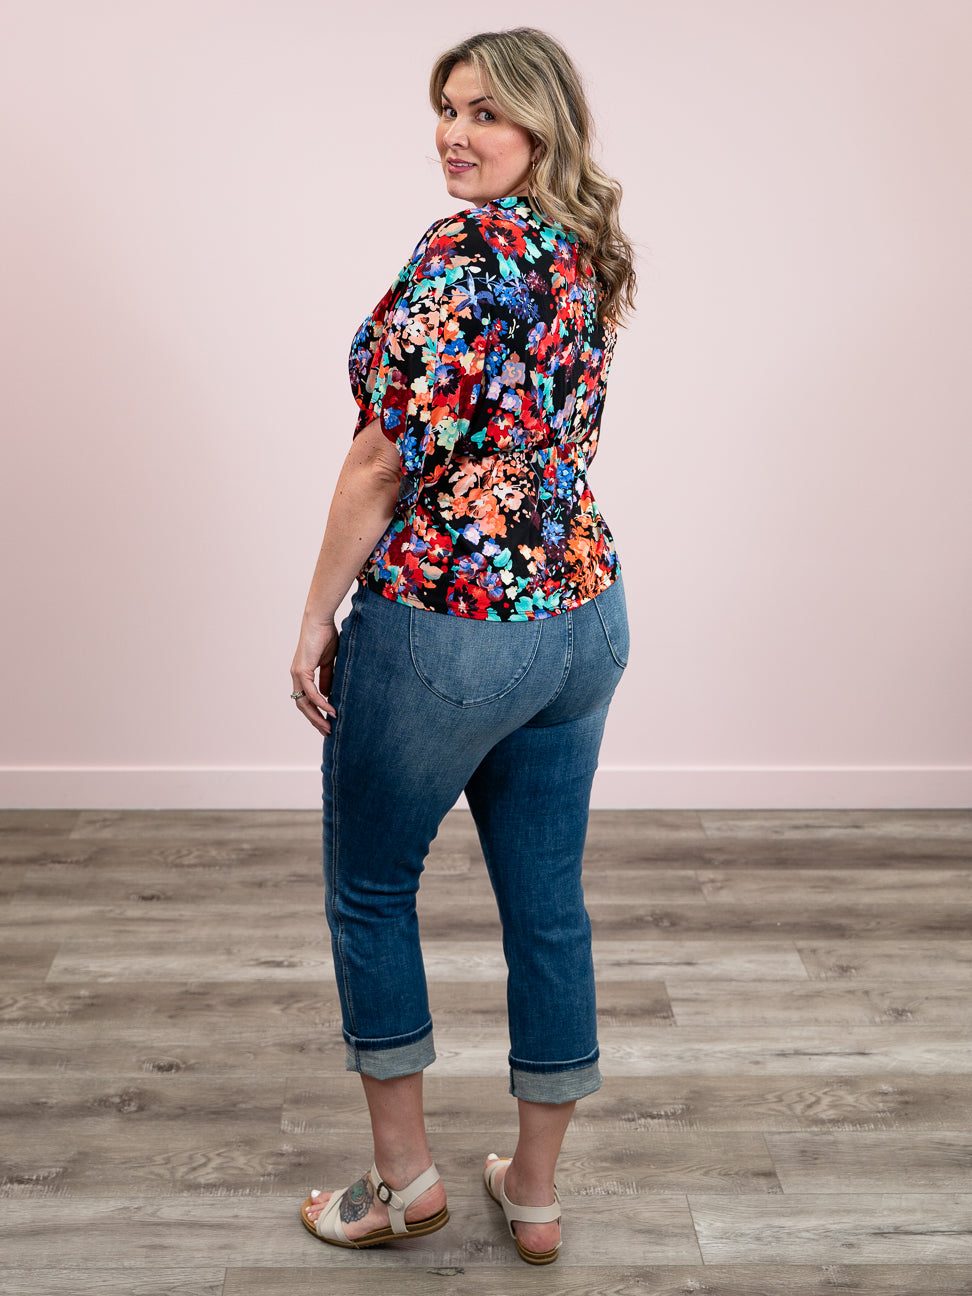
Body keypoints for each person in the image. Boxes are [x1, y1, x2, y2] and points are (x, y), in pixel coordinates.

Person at [289, 26, 636, 1265]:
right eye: (446, 107)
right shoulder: (582, 248)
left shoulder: (461, 255)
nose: (454, 132)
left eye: (485, 111)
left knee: (373, 886)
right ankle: (532, 1194)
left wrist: (315, 617)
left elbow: (381, 460)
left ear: (543, 123)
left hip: (454, 621)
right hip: (582, 615)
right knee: (547, 904)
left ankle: (406, 1186)